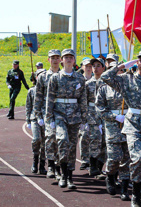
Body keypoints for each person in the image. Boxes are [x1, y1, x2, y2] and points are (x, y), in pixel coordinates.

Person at [101, 50, 141, 207]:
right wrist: (121, 66)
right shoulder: (126, 79)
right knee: (137, 158)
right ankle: (134, 193)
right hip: (132, 124)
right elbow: (105, 77)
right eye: (139, 60)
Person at [46, 49, 87, 189]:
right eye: (66, 57)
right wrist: (49, 118)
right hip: (59, 114)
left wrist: (84, 119)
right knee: (62, 141)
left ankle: (69, 177)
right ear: (62, 60)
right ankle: (62, 174)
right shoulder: (55, 78)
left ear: (74, 60)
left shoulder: (80, 78)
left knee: (71, 147)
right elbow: (50, 99)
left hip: (75, 116)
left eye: (71, 57)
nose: (68, 59)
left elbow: (83, 99)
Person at [95, 63, 130, 201]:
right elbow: (99, 108)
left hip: (128, 125)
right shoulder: (104, 89)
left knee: (127, 159)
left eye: (122, 70)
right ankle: (110, 177)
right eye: (116, 70)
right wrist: (114, 116)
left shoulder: (128, 87)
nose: (119, 73)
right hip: (112, 127)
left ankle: (124, 188)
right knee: (114, 157)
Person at [34, 49, 62, 179]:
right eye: (53, 57)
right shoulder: (43, 77)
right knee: (50, 138)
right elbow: (38, 98)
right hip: (47, 113)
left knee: (61, 140)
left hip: (63, 112)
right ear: (48, 60)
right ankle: (50, 165)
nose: (55, 60)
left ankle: (58, 166)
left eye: (57, 57)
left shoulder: (64, 75)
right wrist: (38, 115)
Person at [85, 58, 106, 176]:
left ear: (103, 68)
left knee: (105, 142)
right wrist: (85, 119)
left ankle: (99, 165)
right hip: (92, 115)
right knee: (95, 140)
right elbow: (84, 101)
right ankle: (92, 166)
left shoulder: (107, 83)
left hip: (105, 115)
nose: (96, 68)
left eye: (98, 65)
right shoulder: (88, 84)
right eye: (94, 66)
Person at [26, 68, 47, 175]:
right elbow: (28, 106)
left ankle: (42, 164)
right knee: (36, 139)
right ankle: (35, 161)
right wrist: (28, 120)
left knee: (45, 143)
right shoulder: (32, 91)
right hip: (34, 118)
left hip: (46, 119)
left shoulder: (48, 89)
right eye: (39, 75)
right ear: (36, 77)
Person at [77, 58, 93, 170]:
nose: (88, 68)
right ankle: (84, 159)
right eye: (86, 66)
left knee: (95, 137)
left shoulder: (96, 79)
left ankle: (93, 160)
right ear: (82, 67)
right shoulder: (78, 80)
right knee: (83, 135)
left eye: (90, 66)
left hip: (94, 112)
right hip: (81, 111)